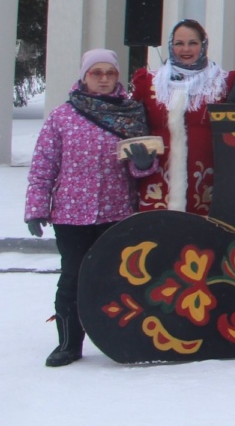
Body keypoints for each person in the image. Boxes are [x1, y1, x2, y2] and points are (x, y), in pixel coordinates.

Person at [25, 50, 160, 366]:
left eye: (109, 73)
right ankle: (69, 343)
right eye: (95, 73)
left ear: (117, 77)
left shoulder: (131, 115)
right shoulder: (63, 116)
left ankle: (119, 338)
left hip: (116, 212)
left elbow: (141, 168)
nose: (102, 78)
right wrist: (36, 208)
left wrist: (143, 163)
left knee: (117, 278)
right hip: (71, 215)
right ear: (84, 77)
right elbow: (44, 165)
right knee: (73, 277)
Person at [129, 19, 233, 214]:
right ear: (170, 45)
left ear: (203, 45)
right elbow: (132, 128)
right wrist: (140, 162)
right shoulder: (149, 82)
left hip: (208, 184)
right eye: (179, 43)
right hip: (157, 183)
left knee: (202, 242)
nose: (186, 49)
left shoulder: (223, 83)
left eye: (193, 43)